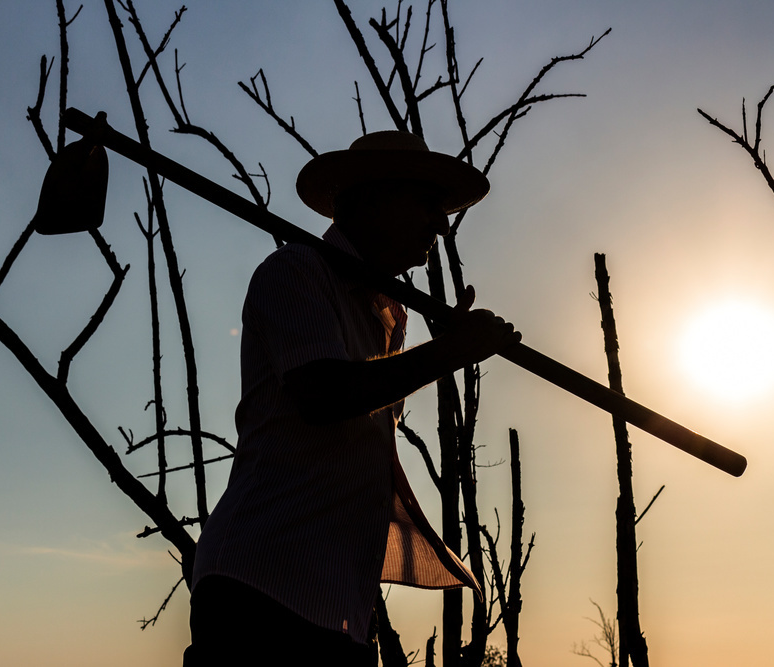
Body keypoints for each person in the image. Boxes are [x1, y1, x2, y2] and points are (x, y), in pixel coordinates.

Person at [184, 130, 521, 666]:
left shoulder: (389, 313)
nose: (439, 224)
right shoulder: (295, 271)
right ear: (373, 198)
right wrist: (449, 353)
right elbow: (324, 395)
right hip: (262, 589)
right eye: (426, 204)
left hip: (336, 604)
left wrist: (443, 348)